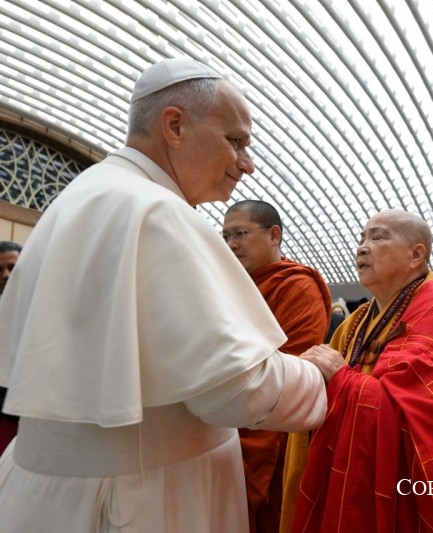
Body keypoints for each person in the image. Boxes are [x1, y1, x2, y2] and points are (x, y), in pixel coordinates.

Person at [0, 58, 328, 532]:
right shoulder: (157, 210)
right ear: (174, 126)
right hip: (140, 499)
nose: (247, 163)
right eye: (235, 141)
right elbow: (235, 390)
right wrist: (317, 375)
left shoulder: (83, 194)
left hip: (42, 493)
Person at [294, 209, 433, 532]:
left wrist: (342, 379)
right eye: (362, 239)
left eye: (377, 237)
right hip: (355, 469)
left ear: (416, 255)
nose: (362, 247)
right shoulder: (355, 321)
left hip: (410, 490)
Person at [223, 200, 331, 533]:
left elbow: (292, 367)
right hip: (226, 420)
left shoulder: (296, 286)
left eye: (240, 233)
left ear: (274, 235)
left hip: (275, 430)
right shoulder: (230, 285)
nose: (231, 244)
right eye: (225, 236)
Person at [0, 241, 22, 454]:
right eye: (0, 270)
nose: (6, 275)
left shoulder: (41, 308)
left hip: (23, 414)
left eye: (12, 268)